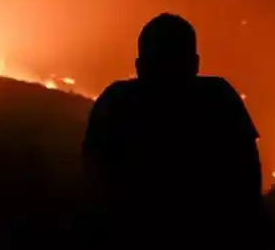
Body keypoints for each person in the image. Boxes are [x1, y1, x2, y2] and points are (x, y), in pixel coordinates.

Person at [82, 13, 264, 249]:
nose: (168, 73)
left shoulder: (116, 103)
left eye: (174, 63)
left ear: (138, 67)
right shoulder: (220, 100)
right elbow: (248, 179)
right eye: (161, 64)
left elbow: (93, 184)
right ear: (196, 64)